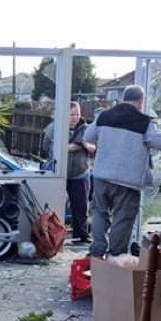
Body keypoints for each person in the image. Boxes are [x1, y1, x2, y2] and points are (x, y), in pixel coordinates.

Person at [84, 85, 161, 258]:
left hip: (102, 176)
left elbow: (88, 136)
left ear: (123, 98)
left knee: (99, 212)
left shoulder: (104, 116)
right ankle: (116, 255)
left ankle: (97, 250)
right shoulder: (144, 122)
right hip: (127, 181)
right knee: (122, 218)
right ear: (141, 100)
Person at [42, 101, 94, 243]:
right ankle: (51, 235)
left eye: (78, 114)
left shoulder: (87, 129)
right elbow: (49, 148)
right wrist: (71, 147)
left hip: (80, 172)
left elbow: (94, 148)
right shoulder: (54, 128)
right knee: (54, 204)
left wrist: (84, 145)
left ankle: (82, 235)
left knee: (81, 205)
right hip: (59, 173)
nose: (75, 117)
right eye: (72, 114)